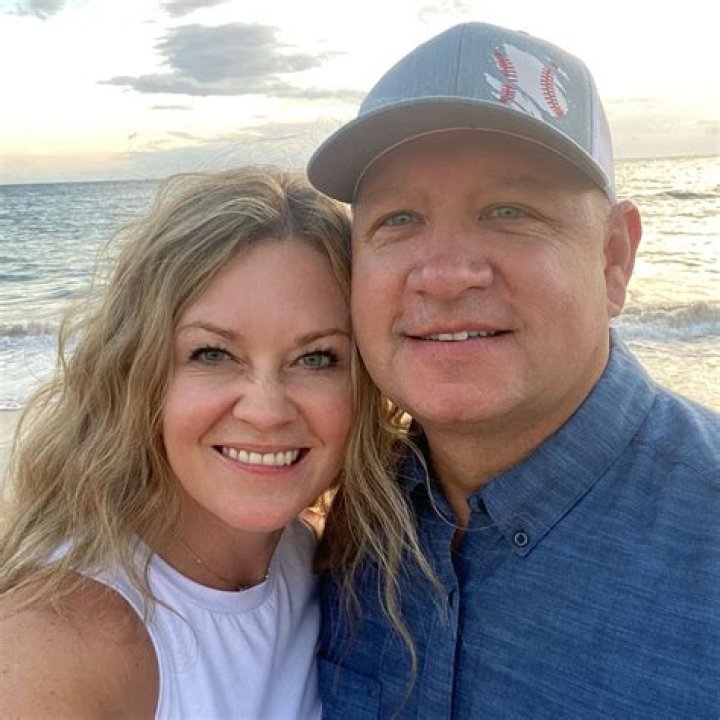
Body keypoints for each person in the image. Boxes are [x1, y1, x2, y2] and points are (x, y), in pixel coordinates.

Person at [308, 22, 720, 718]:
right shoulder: (342, 516)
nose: (444, 276)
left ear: (613, 259)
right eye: (398, 219)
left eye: (509, 211)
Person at [0, 167, 356, 718]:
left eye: (316, 358)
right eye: (212, 354)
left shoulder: (316, 557)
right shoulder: (61, 645)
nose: (266, 412)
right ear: (137, 374)